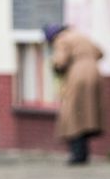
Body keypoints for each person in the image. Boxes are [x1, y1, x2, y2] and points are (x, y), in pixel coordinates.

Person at [44, 24, 104, 164]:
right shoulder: (80, 36)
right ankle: (83, 153)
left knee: (73, 115)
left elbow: (60, 61)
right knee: (87, 114)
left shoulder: (62, 39)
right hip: (95, 74)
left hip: (77, 76)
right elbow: (100, 53)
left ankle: (77, 155)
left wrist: (54, 65)